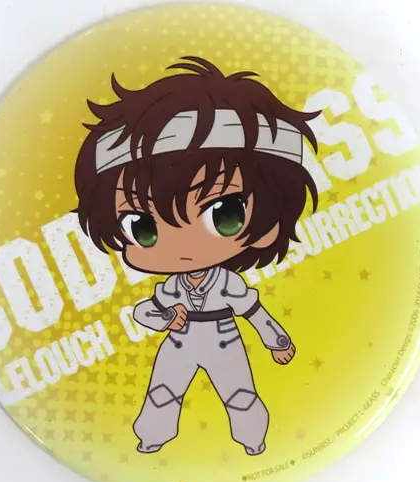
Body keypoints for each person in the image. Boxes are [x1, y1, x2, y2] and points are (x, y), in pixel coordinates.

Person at [74, 56, 320, 455]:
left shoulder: (229, 284)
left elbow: (254, 312)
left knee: (240, 394)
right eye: (143, 227)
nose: (180, 245)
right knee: (162, 393)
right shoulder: (172, 286)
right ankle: (152, 437)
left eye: (224, 215)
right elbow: (145, 311)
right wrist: (165, 318)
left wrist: (277, 341)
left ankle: (253, 439)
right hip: (179, 342)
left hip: (225, 339)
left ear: (269, 226)